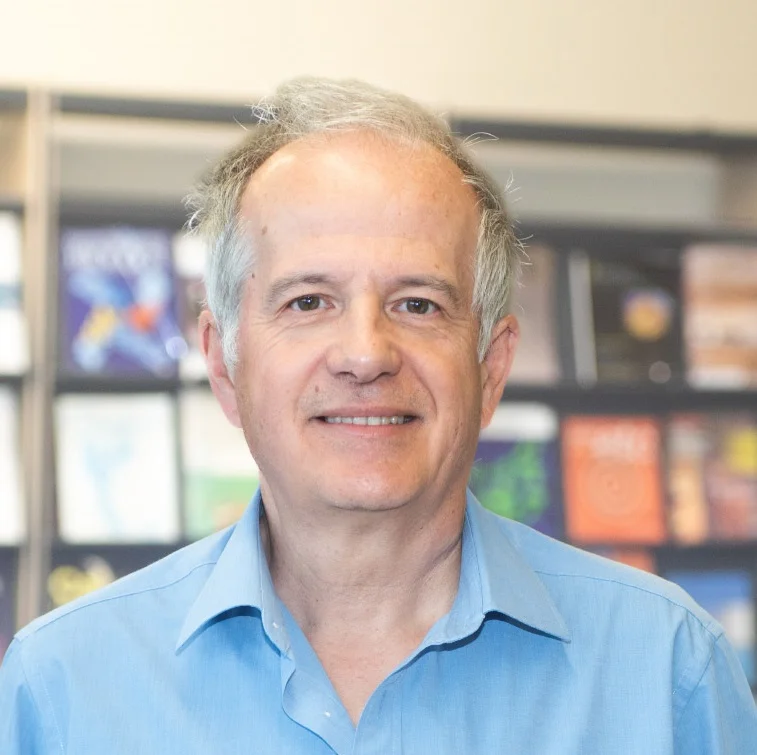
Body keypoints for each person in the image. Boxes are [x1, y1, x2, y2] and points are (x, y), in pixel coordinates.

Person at [1, 77, 755, 754]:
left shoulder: (668, 669)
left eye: (417, 304)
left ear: (491, 368)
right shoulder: (63, 687)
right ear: (224, 364)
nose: (365, 354)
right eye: (308, 301)